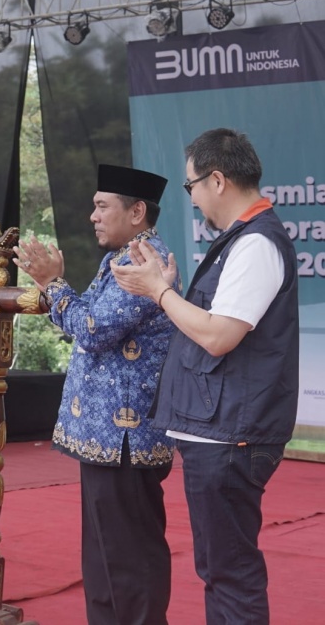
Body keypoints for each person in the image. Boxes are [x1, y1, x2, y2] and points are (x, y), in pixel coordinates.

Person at [112, 128, 298, 624]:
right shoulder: (245, 238)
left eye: (191, 185)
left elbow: (218, 336)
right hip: (220, 430)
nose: (191, 198)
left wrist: (158, 293)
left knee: (229, 573)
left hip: (231, 435)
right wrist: (168, 287)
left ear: (217, 180)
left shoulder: (256, 243)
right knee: (221, 568)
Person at [14, 164, 178, 624]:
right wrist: (58, 290)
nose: (93, 216)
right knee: (105, 560)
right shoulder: (121, 258)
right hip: (107, 438)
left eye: (102, 206)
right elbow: (87, 318)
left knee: (129, 559)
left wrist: (51, 284)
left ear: (137, 211)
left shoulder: (144, 262)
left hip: (126, 439)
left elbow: (92, 329)